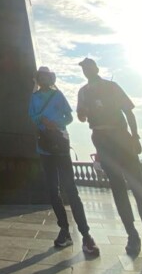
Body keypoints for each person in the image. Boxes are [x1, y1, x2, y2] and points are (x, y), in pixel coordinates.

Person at [77, 57, 142, 264]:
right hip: (101, 140)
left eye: (89, 67)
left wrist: (135, 136)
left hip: (121, 137)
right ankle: (132, 235)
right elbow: (80, 117)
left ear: (96, 68)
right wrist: (82, 112)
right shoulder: (83, 92)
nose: (87, 71)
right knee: (117, 189)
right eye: (84, 68)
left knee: (139, 188)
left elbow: (129, 112)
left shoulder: (112, 86)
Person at [29, 67, 99, 256]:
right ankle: (64, 230)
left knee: (71, 190)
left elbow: (68, 117)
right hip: (44, 147)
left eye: (46, 75)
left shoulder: (58, 96)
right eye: (40, 76)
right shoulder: (34, 98)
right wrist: (42, 121)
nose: (44, 78)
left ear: (51, 78)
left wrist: (56, 124)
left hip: (60, 146)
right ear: (38, 78)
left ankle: (86, 235)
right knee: (53, 191)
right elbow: (32, 116)